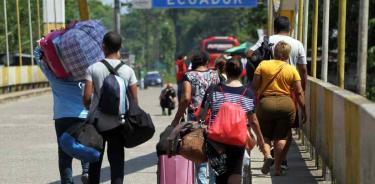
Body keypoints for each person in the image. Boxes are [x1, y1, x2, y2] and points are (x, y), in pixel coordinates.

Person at [247, 16, 308, 169]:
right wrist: (302, 93)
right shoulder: (297, 44)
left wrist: (262, 57)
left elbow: (249, 54)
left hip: (265, 95)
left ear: (274, 28)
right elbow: (304, 70)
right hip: (290, 93)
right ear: (290, 29)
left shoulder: (266, 41)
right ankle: (281, 163)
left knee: (266, 132)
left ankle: (268, 155)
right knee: (285, 133)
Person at [83, 31, 138, 184]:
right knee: (117, 165)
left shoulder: (93, 68)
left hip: (97, 124)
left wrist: (93, 107)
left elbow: (87, 98)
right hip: (118, 124)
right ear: (120, 47)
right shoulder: (128, 71)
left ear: (103, 47)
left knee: (94, 164)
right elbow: (134, 101)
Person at [201, 57, 265, 184]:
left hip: (216, 139)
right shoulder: (248, 93)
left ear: (226, 71)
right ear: (242, 72)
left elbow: (202, 115)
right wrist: (260, 140)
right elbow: (253, 121)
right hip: (237, 138)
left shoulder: (213, 90)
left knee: (219, 174)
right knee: (235, 172)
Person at [34, 48, 89, 184]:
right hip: (83, 115)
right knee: (85, 145)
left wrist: (42, 46)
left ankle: (67, 181)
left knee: (64, 153)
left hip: (62, 116)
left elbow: (38, 58)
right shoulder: (84, 74)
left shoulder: (54, 77)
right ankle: (87, 171)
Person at [171, 51, 220, 184]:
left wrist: (176, 120)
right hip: (215, 119)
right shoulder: (216, 75)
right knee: (214, 157)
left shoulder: (189, 76)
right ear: (206, 62)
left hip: (195, 119)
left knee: (198, 153)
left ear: (194, 63)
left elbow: (186, 98)